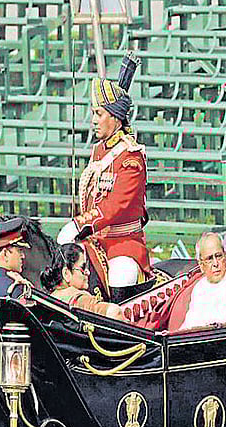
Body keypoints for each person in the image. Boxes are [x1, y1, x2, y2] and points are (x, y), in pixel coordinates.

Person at [58, 52, 150, 290]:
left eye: (99, 114)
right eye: (94, 114)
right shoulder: (99, 150)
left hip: (123, 243)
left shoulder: (131, 156)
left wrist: (80, 224)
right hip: (94, 240)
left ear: (116, 118)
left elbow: (115, 205)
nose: (94, 120)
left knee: (121, 275)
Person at [179, 232, 226, 330]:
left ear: (225, 258)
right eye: (209, 259)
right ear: (201, 265)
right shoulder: (199, 288)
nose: (215, 263)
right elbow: (190, 323)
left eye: (218, 256)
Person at [41, 244, 125, 320]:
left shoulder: (50, 300)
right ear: (66, 273)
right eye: (83, 268)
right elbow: (115, 313)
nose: (87, 272)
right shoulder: (77, 299)